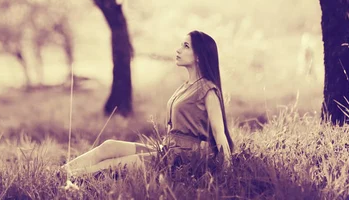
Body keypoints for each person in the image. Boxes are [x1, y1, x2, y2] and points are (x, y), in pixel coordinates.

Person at [60, 31, 234, 178]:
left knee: (111, 164)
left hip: (183, 158)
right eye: (181, 45)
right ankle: (61, 172)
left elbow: (219, 133)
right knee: (109, 146)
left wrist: (228, 171)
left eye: (186, 46)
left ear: (198, 56)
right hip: (167, 150)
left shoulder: (208, 90)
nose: (179, 50)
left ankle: (70, 179)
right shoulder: (186, 86)